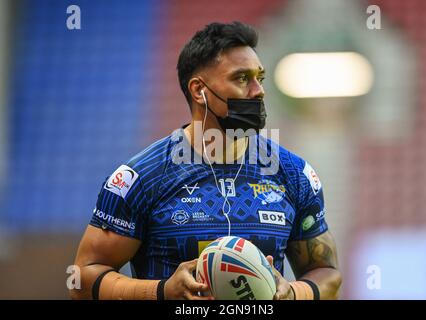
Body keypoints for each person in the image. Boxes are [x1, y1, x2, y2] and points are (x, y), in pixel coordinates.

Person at [70, 21, 341, 300]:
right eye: (242, 78)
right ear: (200, 90)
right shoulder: (142, 177)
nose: (258, 91)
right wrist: (162, 291)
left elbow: (327, 273)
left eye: (260, 78)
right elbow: (82, 278)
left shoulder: (293, 174)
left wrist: (293, 294)